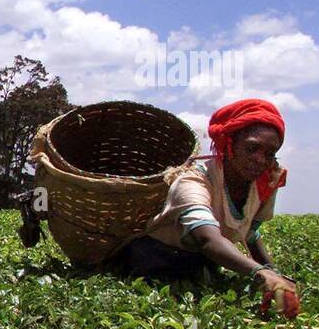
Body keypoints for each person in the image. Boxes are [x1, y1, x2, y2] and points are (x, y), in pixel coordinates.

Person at [117, 98, 300, 317]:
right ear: (229, 144)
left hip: (203, 264)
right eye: (251, 148)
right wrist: (260, 273)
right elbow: (207, 239)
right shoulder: (193, 180)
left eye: (270, 153)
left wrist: (275, 273)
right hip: (156, 261)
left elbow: (251, 233)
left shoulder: (264, 183)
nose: (260, 160)